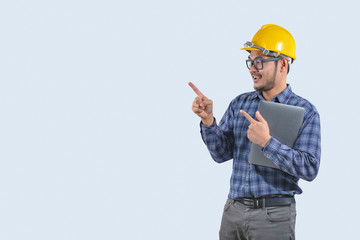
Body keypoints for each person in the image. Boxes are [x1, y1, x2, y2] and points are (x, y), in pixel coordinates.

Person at [189, 24, 321, 240]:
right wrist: (208, 121)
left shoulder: (306, 112)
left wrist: (267, 143)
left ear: (283, 64)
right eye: (250, 61)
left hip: (273, 217)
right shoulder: (240, 103)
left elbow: (309, 168)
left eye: (259, 61)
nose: (252, 68)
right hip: (233, 212)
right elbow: (221, 154)